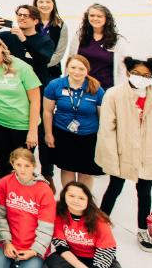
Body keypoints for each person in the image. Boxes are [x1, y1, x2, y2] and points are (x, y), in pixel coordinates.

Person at [95, 56, 152, 251]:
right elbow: (107, 129)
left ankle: (143, 228)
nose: (141, 78)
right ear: (128, 73)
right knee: (114, 188)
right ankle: (99, 224)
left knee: (144, 192)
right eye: (137, 73)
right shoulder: (114, 94)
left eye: (147, 75)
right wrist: (112, 157)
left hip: (147, 153)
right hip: (122, 151)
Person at [46, 182, 131, 268]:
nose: (75, 200)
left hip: (97, 260)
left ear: (88, 201)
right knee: (52, 261)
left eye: (81, 198)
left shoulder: (99, 220)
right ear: (64, 196)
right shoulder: (59, 213)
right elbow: (61, 247)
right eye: (71, 196)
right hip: (74, 258)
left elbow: (107, 252)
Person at [0, 33, 41, 176]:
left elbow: (35, 100)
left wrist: (33, 131)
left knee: (23, 168)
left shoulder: (22, 67)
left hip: (22, 125)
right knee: (4, 164)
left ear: (1, 46)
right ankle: (6, 197)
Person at [0, 149, 55, 268]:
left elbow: (47, 225)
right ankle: (11, 258)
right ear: (12, 165)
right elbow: (0, 215)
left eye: (27, 166)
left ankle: (34, 262)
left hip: (33, 244)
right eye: (18, 165)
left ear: (34, 166)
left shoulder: (44, 190)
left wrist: (34, 250)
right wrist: (6, 242)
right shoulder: (5, 183)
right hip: (11, 240)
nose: (22, 169)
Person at [43, 54, 106, 190]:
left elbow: (104, 118)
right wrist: (48, 134)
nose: (76, 72)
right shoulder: (55, 85)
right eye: (73, 67)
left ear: (87, 70)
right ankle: (68, 201)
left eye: (81, 69)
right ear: (67, 68)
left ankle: (85, 203)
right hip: (63, 134)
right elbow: (47, 112)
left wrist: (103, 140)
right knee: (67, 169)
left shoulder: (96, 89)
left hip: (88, 136)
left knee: (86, 172)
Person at [65, 4, 129, 90]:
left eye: (99, 16)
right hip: (80, 87)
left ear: (106, 19)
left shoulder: (117, 41)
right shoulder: (79, 36)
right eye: (92, 15)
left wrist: (119, 91)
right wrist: (66, 83)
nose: (95, 18)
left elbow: (122, 70)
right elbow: (70, 61)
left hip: (105, 89)